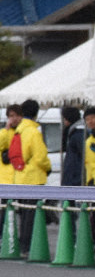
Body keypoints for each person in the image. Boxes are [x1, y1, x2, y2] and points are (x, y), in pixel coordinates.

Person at [10, 99, 51, 254]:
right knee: (32, 215)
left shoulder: (19, 130)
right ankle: (29, 246)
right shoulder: (33, 131)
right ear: (36, 113)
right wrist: (48, 167)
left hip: (20, 177)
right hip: (34, 177)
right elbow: (41, 157)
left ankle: (22, 245)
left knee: (24, 214)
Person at [0, 104, 23, 235]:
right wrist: (5, 130)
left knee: (21, 210)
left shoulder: (23, 131)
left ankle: (14, 236)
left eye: (16, 115)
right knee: (5, 209)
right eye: (11, 116)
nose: (13, 119)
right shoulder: (5, 132)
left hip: (20, 176)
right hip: (7, 177)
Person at [61, 106, 85, 186]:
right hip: (73, 175)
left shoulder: (78, 133)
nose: (64, 121)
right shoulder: (74, 131)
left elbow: (83, 155)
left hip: (74, 176)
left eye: (64, 118)